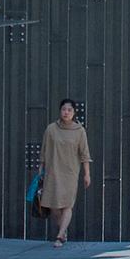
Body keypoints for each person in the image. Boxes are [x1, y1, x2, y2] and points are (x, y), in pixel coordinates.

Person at [39, 98, 93, 247]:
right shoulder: (51, 129)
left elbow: (84, 154)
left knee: (67, 204)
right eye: (64, 109)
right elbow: (43, 151)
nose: (66, 112)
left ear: (74, 112)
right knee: (54, 206)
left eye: (69, 110)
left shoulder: (79, 131)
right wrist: (40, 171)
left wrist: (87, 174)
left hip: (70, 173)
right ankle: (62, 231)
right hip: (53, 171)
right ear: (60, 111)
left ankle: (60, 235)